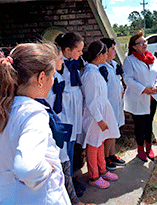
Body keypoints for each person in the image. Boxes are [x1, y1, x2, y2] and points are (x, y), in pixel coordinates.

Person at [0, 42, 72, 204]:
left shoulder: (3, 107)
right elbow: (27, 168)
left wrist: (6, 152)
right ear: (41, 78)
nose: (53, 81)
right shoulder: (34, 113)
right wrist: (47, 169)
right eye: (52, 75)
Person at [78, 41, 120, 189]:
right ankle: (93, 175)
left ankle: (102, 170)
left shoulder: (95, 70)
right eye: (105, 53)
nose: (108, 55)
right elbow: (91, 101)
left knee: (100, 142)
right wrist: (100, 120)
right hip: (94, 116)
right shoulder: (90, 74)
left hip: (101, 113)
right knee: (93, 145)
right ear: (100, 55)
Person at [54, 33, 86, 195]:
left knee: (72, 144)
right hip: (65, 109)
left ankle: (70, 177)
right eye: (78, 50)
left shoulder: (76, 63)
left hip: (74, 108)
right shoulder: (58, 68)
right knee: (65, 146)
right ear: (67, 50)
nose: (81, 53)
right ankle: (65, 182)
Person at [123, 30, 157, 162]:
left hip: (152, 98)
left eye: (145, 41)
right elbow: (127, 79)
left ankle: (149, 148)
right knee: (139, 125)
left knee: (149, 123)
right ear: (134, 46)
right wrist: (143, 89)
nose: (145, 44)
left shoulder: (153, 59)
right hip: (138, 98)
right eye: (141, 42)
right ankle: (140, 149)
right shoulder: (129, 60)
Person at [99, 38, 126, 171]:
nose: (115, 51)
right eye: (112, 49)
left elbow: (119, 81)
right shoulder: (101, 68)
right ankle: (105, 157)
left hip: (117, 102)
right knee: (109, 132)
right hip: (108, 104)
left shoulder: (114, 65)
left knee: (115, 131)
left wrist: (122, 92)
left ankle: (112, 154)